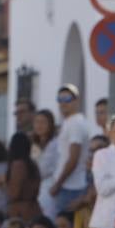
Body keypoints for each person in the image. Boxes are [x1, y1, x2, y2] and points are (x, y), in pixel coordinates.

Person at [46, 84, 93, 218]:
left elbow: (73, 158)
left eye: (66, 98)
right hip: (68, 185)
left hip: (70, 187)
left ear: (76, 100)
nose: (63, 103)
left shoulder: (75, 124)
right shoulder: (69, 122)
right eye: (59, 99)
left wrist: (58, 184)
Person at [5, 131, 41, 221]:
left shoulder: (18, 165)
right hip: (33, 208)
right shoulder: (32, 164)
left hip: (20, 212)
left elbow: (14, 192)